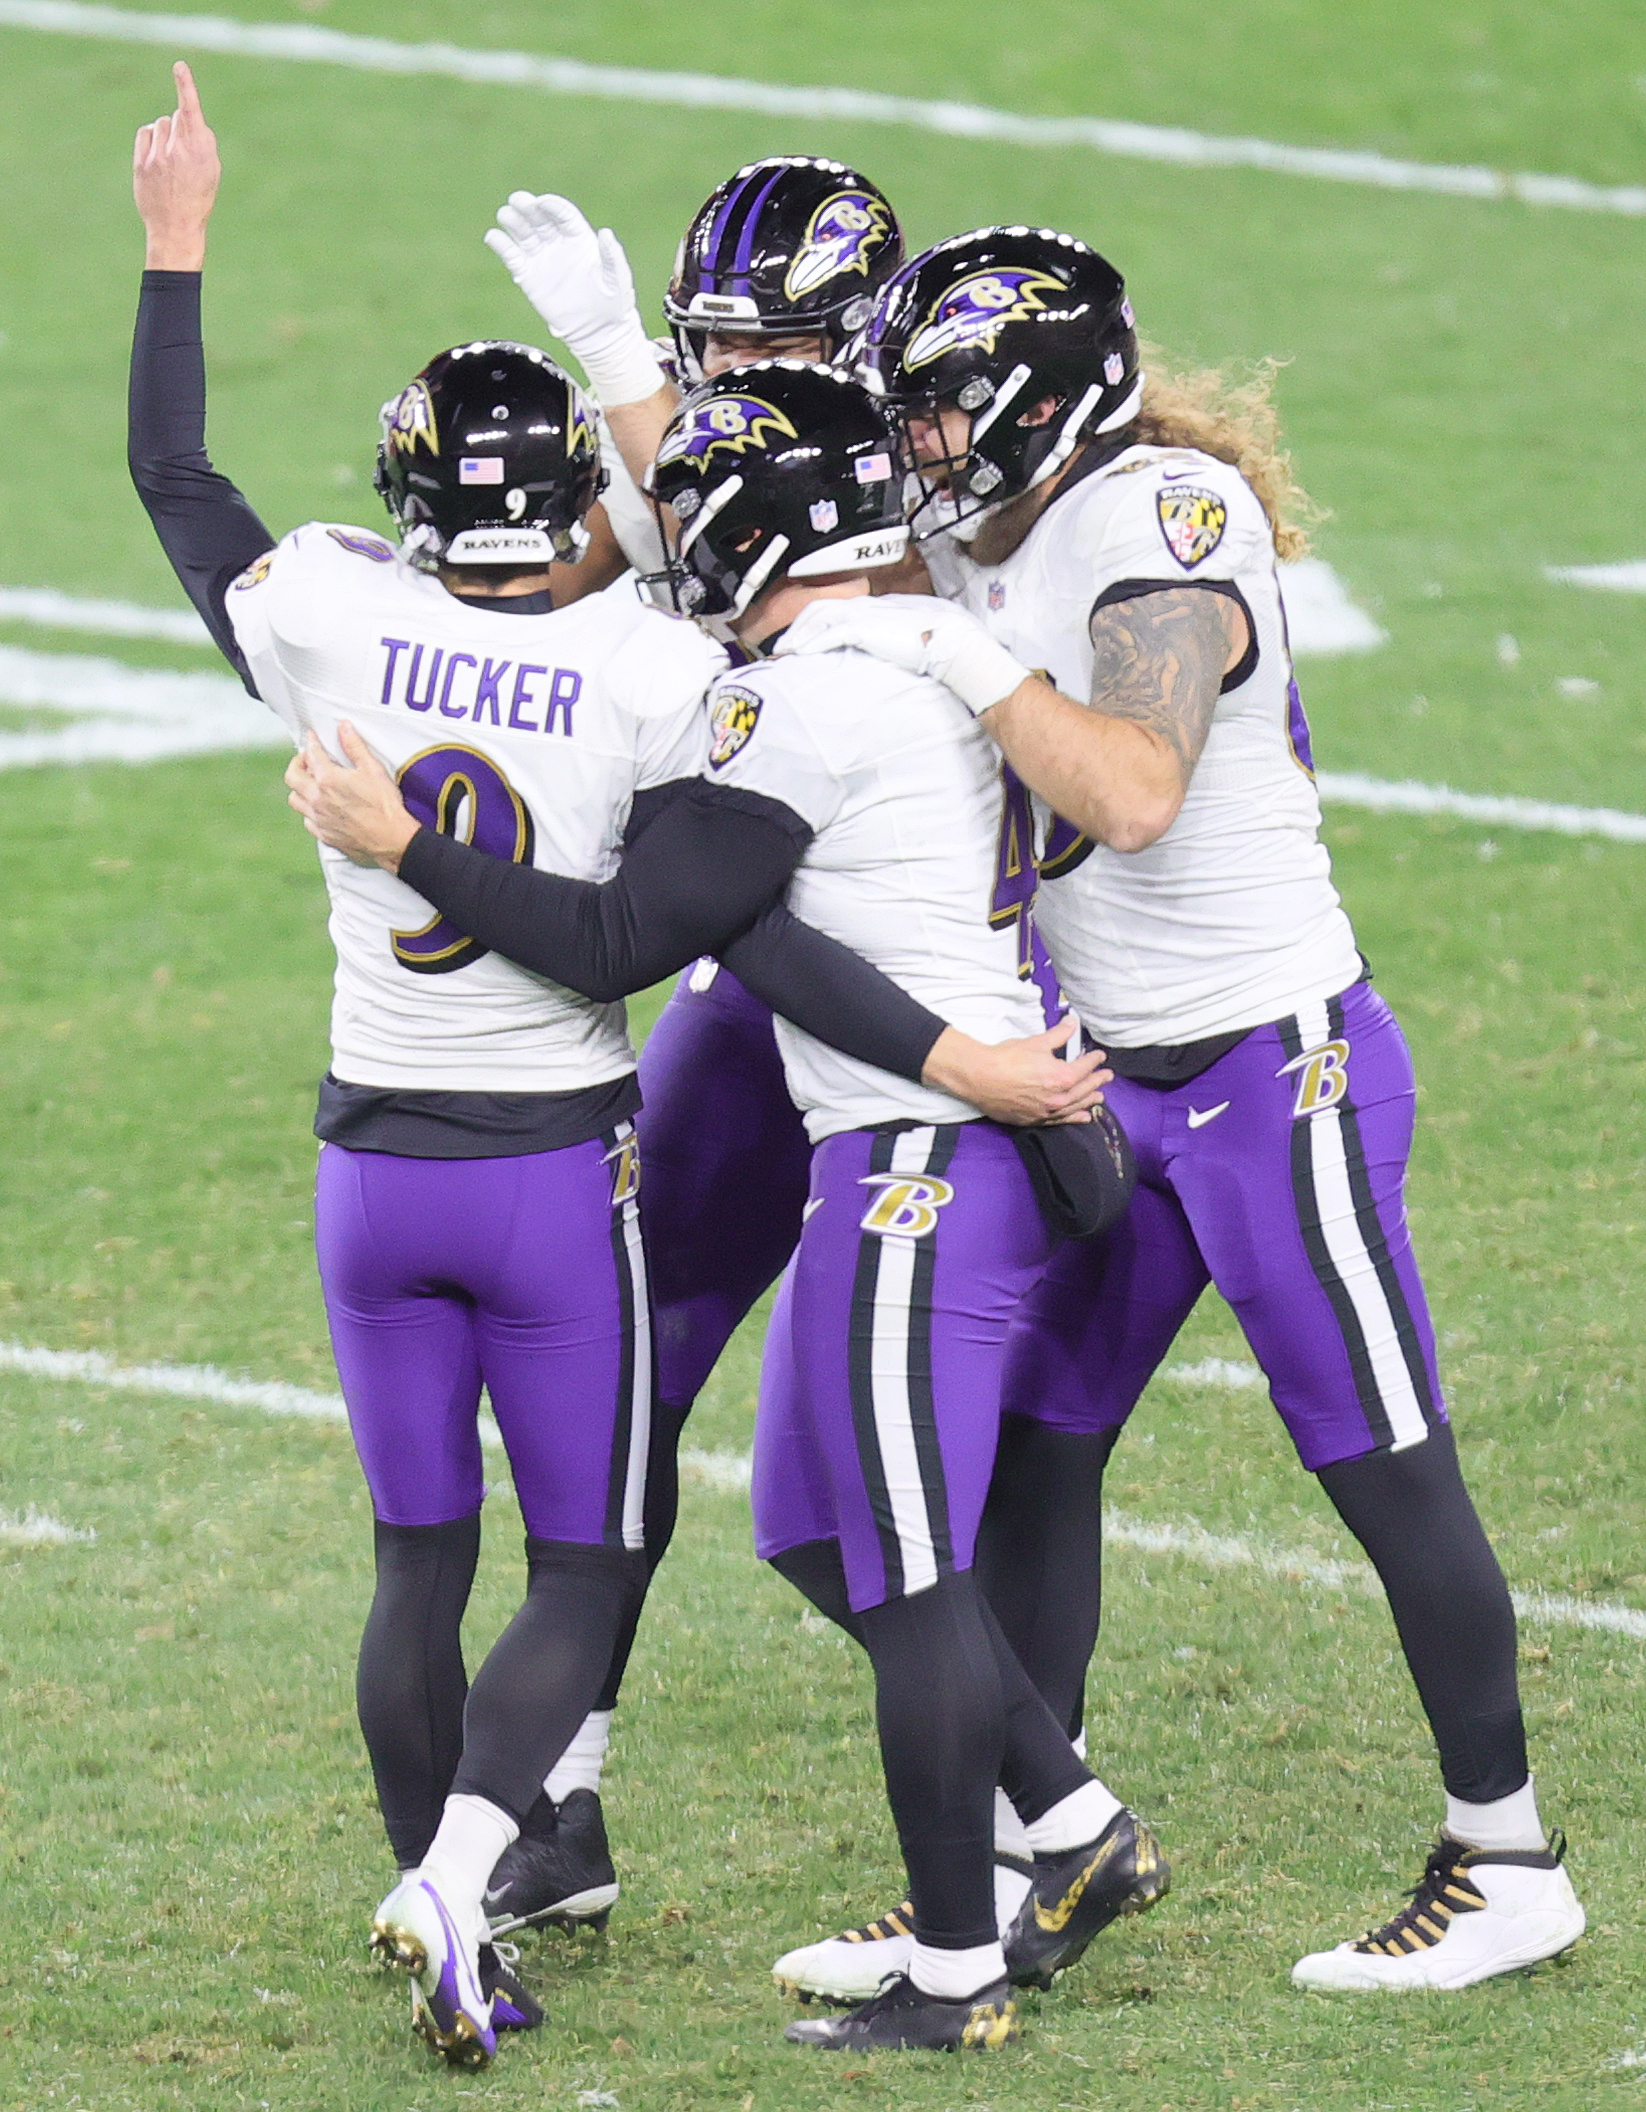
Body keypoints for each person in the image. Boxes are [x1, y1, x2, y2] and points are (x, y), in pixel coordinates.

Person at [127, 69, 1088, 2067]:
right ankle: (503, 1859)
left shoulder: (329, 621)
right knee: (588, 1553)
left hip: (364, 1163)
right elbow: (669, 909)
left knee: (418, 1564)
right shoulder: (657, 675)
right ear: (582, 503)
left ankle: (466, 1881)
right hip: (565, 1165)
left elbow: (182, 484)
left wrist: (174, 250)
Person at [286, 360, 1166, 2052]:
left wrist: (406, 843)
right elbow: (756, 933)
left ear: (767, 519)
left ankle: (958, 1971)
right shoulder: (886, 657)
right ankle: (1071, 1825)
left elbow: (632, 940)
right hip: (904, 1144)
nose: (671, 532)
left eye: (699, 503)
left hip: (923, 1165)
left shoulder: (808, 699)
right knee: (814, 1527)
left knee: (906, 1578)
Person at [776, 223, 1587, 1994]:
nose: (912, 447)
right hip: (1111, 1078)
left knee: (1380, 1460)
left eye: (931, 412)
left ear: (1038, 400)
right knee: (1039, 1458)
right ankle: (1020, 1865)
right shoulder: (975, 529)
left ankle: (1505, 1853)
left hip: (1267, 1062)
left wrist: (961, 659)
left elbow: (1133, 791)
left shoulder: (1158, 521)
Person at [475, 155, 911, 1934]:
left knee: (955, 1452)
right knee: (625, 1357)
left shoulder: (939, 480)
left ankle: (1035, 1816)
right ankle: (559, 1793)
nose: (729, 374)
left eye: (772, 342)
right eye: (704, 342)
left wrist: (604, 352)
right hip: (757, 975)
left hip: (938, 1017)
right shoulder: (731, 459)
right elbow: (608, 556)